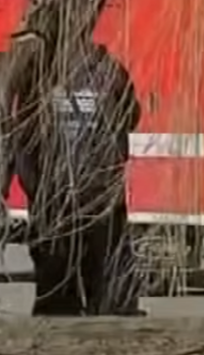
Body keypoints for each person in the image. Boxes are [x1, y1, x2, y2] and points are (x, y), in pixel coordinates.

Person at [18, 32, 143, 317]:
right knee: (106, 278)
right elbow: (131, 117)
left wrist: (36, 193)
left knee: (57, 289)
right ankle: (109, 313)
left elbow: (22, 139)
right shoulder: (110, 69)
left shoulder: (40, 73)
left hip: (58, 196)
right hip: (99, 193)